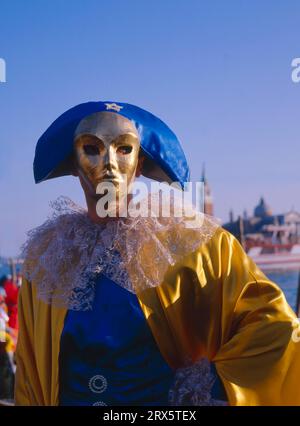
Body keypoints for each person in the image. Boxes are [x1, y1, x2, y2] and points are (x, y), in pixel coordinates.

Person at [15, 101, 300, 406]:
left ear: (139, 164)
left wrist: (210, 389)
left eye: (123, 148)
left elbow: (277, 328)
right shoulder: (48, 263)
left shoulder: (195, 246)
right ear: (73, 162)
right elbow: (32, 373)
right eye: (92, 148)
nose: (109, 162)